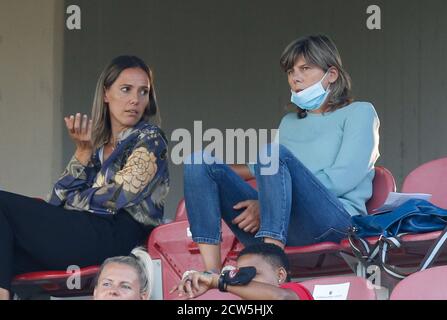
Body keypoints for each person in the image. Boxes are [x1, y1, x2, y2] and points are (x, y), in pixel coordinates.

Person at [183, 34, 380, 272]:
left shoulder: (360, 113)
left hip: (334, 223)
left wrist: (265, 205)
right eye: (290, 71)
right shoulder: (289, 122)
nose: (295, 77)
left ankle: (270, 263)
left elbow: (342, 179)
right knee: (198, 161)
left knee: (273, 154)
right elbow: (262, 170)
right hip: (282, 222)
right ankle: (211, 273)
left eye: (305, 68)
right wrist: (214, 171)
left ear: (332, 75)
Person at [0, 55, 169, 300]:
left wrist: (75, 197)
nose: (135, 99)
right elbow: (55, 200)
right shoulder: (96, 144)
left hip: (118, 237)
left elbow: (117, 197)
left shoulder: (150, 138)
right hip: (84, 233)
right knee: (10, 250)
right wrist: (82, 152)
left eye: (143, 92)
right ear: (105, 94)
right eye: (126, 89)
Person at [172, 243, 313, 300]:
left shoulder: (294, 290)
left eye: (253, 274)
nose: (244, 281)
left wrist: (219, 281)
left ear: (280, 275)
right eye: (240, 275)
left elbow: (282, 298)